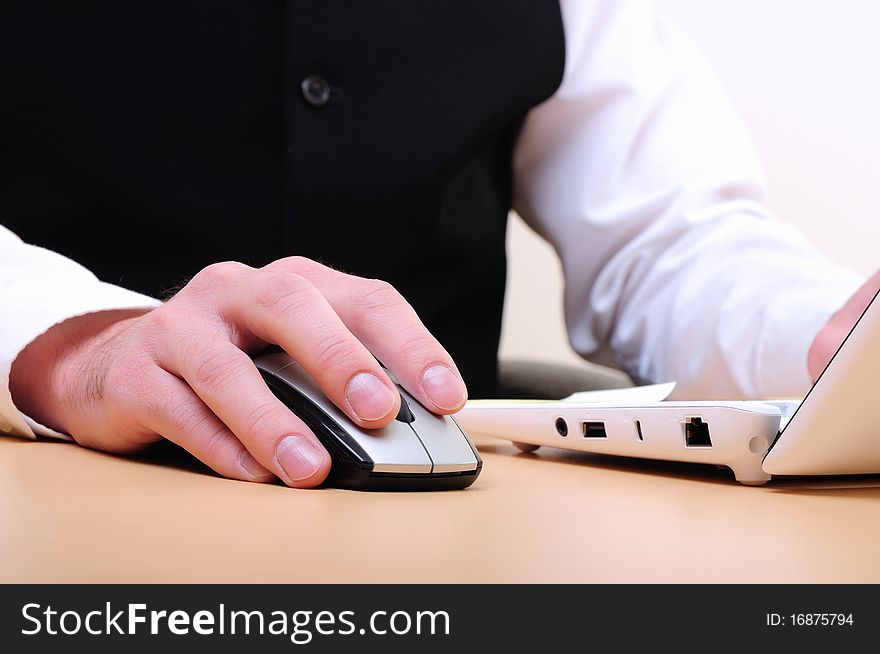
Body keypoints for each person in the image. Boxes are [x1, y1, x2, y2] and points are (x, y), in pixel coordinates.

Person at [0, 1, 872, 488]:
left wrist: (830, 340)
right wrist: (76, 341)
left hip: (450, 537)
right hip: (61, 507)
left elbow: (669, 235)